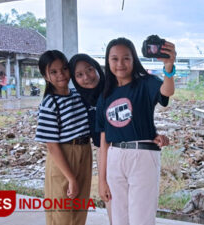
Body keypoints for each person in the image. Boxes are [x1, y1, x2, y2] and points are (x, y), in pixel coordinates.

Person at [68, 53, 170, 224]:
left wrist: (152, 135)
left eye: (90, 70)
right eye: (79, 75)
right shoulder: (77, 99)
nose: (86, 77)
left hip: (128, 150)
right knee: (116, 215)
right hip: (106, 152)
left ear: (98, 67)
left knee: (139, 213)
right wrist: (101, 180)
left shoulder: (112, 87)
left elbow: (135, 112)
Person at [96, 37, 176, 225]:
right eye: (114, 59)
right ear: (108, 61)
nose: (120, 64)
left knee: (142, 219)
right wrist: (102, 180)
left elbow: (167, 92)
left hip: (142, 156)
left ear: (134, 60)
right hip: (114, 157)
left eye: (126, 58)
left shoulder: (146, 83)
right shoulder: (105, 95)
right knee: (118, 219)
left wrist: (169, 66)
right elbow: (103, 140)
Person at [35, 50, 93, 225]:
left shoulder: (78, 95)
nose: (61, 75)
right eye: (53, 72)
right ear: (45, 76)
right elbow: (52, 146)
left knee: (79, 209)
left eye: (64, 69)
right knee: (62, 213)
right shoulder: (50, 103)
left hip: (85, 151)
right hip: (64, 156)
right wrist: (71, 178)